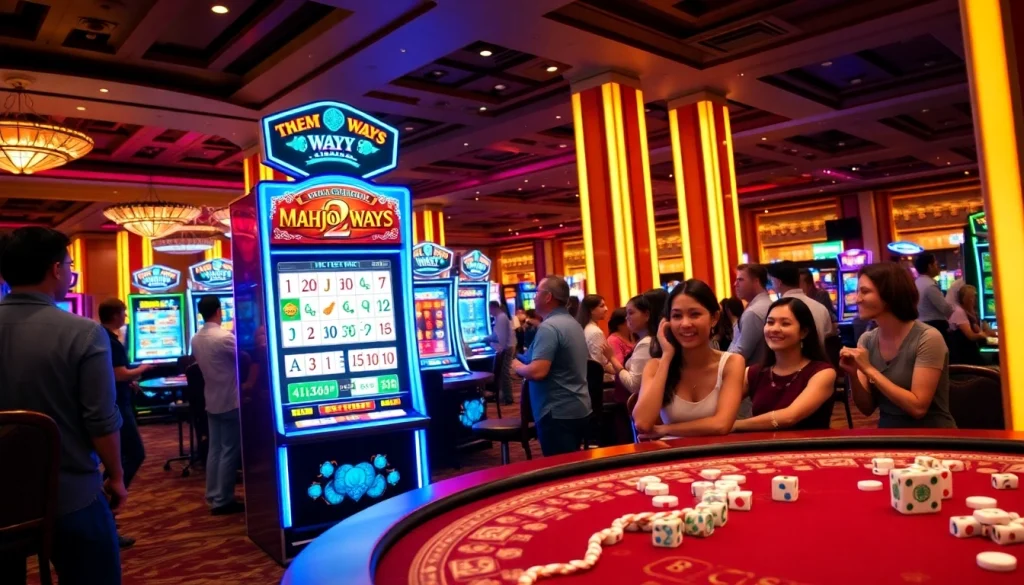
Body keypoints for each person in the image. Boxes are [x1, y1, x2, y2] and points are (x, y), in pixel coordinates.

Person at [0, 227, 124, 584]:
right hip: (67, 495)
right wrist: (116, 476)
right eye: (70, 264)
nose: (70, 272)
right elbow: (100, 420)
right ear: (56, 269)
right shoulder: (83, 333)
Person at [841, 263, 956, 428]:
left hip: (934, 438)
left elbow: (918, 408)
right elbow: (866, 409)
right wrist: (853, 374)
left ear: (889, 295)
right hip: (889, 437)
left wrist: (868, 369)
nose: (858, 299)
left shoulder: (928, 338)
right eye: (858, 291)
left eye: (865, 291)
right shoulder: (866, 340)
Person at [632, 280, 745, 438]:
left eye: (695, 314)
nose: (685, 324)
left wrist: (663, 429)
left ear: (714, 318)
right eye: (677, 316)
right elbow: (643, 423)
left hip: (717, 455)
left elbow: (721, 425)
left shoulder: (732, 363)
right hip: (672, 457)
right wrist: (666, 356)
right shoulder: (655, 366)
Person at [513, 276, 592, 456]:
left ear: (548, 297)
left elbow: (539, 371)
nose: (533, 297)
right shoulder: (573, 323)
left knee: (560, 471)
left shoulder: (549, 327)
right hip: (578, 407)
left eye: (537, 292)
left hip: (557, 411)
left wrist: (517, 367)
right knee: (572, 466)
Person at [733, 298, 836, 432]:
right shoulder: (754, 373)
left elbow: (790, 417)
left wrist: (735, 425)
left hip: (809, 449)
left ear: (804, 332)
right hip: (764, 449)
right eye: (770, 322)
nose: (775, 329)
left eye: (785, 323)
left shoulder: (822, 372)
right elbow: (720, 407)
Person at [98, 298, 150, 549]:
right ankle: (108, 502)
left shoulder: (101, 337)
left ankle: (106, 509)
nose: (126, 316)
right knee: (134, 454)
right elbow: (118, 372)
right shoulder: (111, 340)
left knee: (122, 456)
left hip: (116, 400)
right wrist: (143, 368)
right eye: (124, 312)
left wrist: (128, 380)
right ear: (116, 315)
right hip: (119, 406)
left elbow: (111, 374)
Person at [190, 295, 245, 514]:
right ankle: (223, 500)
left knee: (215, 450)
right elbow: (243, 358)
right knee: (229, 451)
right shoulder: (224, 337)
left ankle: (213, 494)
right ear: (219, 311)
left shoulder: (196, 338)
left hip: (211, 398)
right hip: (230, 399)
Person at [604, 289, 666, 394]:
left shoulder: (647, 343)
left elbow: (633, 385)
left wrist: (612, 358)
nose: (627, 318)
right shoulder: (649, 340)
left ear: (647, 315)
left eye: (631, 313)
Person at [766, 261, 833, 346]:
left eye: (771, 281)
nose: (771, 285)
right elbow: (828, 337)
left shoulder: (777, 309)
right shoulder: (820, 307)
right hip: (818, 357)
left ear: (778, 282)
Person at [728, 264, 772, 366]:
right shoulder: (766, 304)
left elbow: (740, 353)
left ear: (756, 281)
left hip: (752, 374)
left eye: (740, 280)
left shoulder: (753, 312)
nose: (735, 284)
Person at [483, 300, 516, 405]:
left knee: (504, 373)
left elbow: (499, 337)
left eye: (489, 309)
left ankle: (508, 398)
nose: (489, 312)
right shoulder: (501, 317)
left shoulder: (501, 317)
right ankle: (505, 396)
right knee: (503, 373)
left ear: (492, 307)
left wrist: (484, 338)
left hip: (507, 347)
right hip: (507, 346)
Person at [946, 285, 990, 365]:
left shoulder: (973, 312)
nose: (974, 299)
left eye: (974, 296)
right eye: (972, 296)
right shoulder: (959, 312)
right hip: (963, 355)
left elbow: (983, 329)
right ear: (964, 299)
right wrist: (983, 334)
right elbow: (971, 336)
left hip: (972, 351)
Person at [914, 253, 954, 332]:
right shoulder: (930, 286)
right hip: (935, 325)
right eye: (936, 264)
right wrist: (952, 307)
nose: (938, 267)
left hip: (921, 324)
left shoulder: (916, 283)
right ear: (930, 267)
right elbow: (945, 309)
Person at [577, 294, 611, 373]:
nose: (606, 309)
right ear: (591, 310)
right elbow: (598, 363)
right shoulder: (595, 332)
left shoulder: (585, 328)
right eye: (602, 306)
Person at [799, 269, 838, 336]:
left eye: (800, 283)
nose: (798, 287)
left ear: (809, 285)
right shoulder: (799, 298)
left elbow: (832, 320)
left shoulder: (821, 295)